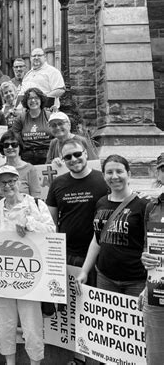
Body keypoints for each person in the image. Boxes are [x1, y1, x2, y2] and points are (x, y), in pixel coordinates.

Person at [0, 165, 55, 365]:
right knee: (5, 323)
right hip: (2, 277)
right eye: (2, 182)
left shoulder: (36, 204)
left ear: (19, 182)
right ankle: (10, 362)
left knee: (32, 324)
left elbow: (52, 232)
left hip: (29, 276)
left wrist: (30, 226)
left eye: (11, 181)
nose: (7, 186)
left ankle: (35, 362)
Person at [76, 155, 148, 297]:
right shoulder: (101, 203)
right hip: (105, 277)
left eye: (119, 171)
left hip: (136, 281)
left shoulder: (143, 205)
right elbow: (97, 240)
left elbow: (151, 246)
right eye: (109, 172)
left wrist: (148, 285)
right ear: (103, 176)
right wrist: (84, 270)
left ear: (129, 174)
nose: (114, 176)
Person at [46, 138, 108, 279]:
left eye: (77, 154)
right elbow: (51, 222)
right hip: (68, 254)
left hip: (99, 254)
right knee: (71, 300)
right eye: (67, 157)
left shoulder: (104, 181)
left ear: (85, 153)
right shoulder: (57, 183)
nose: (73, 159)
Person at [140, 153, 164, 365]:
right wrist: (146, 258)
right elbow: (150, 247)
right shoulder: (152, 207)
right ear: (158, 173)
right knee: (155, 357)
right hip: (157, 292)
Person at [0, 130, 41, 208]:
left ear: (20, 147)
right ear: (2, 148)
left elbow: (36, 199)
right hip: (1, 215)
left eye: (14, 144)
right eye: (6, 145)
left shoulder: (30, 169)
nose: (10, 147)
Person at [12, 88, 52, 165]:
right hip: (27, 156)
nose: (33, 100)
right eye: (30, 98)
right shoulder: (20, 119)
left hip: (47, 155)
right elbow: (15, 138)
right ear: (26, 101)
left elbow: (57, 138)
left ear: (41, 100)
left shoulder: (50, 116)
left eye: (36, 98)